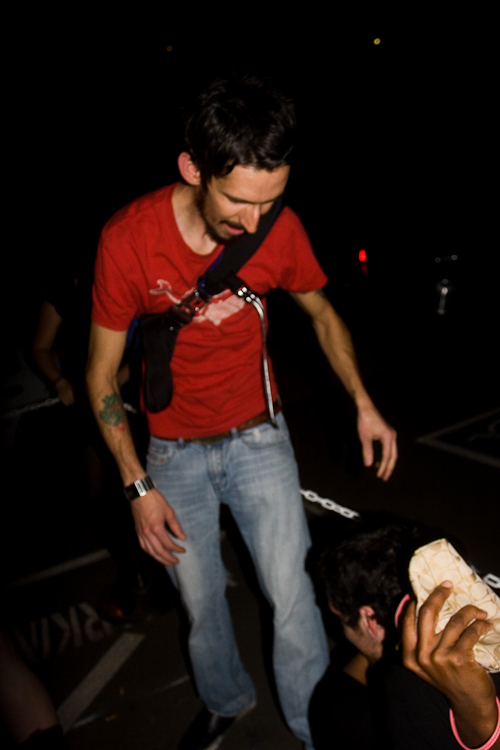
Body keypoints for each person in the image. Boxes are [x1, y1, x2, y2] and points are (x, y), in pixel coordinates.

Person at [86, 74, 397, 750]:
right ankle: (226, 699)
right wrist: (137, 486)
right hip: (171, 453)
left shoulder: (278, 229)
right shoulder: (128, 238)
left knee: (293, 600)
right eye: (238, 201)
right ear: (193, 168)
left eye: (271, 200)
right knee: (200, 604)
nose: (255, 222)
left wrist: (363, 402)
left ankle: (314, 730)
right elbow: (100, 375)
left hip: (259, 439)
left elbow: (322, 313)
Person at [310, 520, 500, 749]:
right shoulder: (488, 613)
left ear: (370, 621)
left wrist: (480, 717)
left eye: (340, 618)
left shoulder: (389, 706)